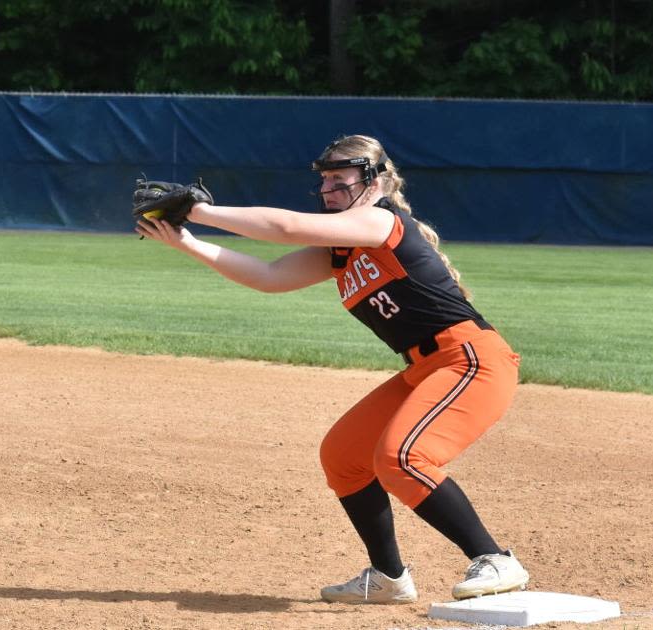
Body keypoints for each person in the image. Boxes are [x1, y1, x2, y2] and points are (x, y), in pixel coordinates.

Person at [134, 134, 529, 604]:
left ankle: (495, 558)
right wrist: (188, 242)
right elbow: (269, 277)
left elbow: (284, 227)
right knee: (344, 456)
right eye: (325, 182)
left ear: (375, 181)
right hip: (426, 368)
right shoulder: (340, 250)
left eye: (341, 180)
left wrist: (197, 209)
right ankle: (388, 578)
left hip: (471, 361)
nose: (329, 190)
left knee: (402, 457)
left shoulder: (380, 221)